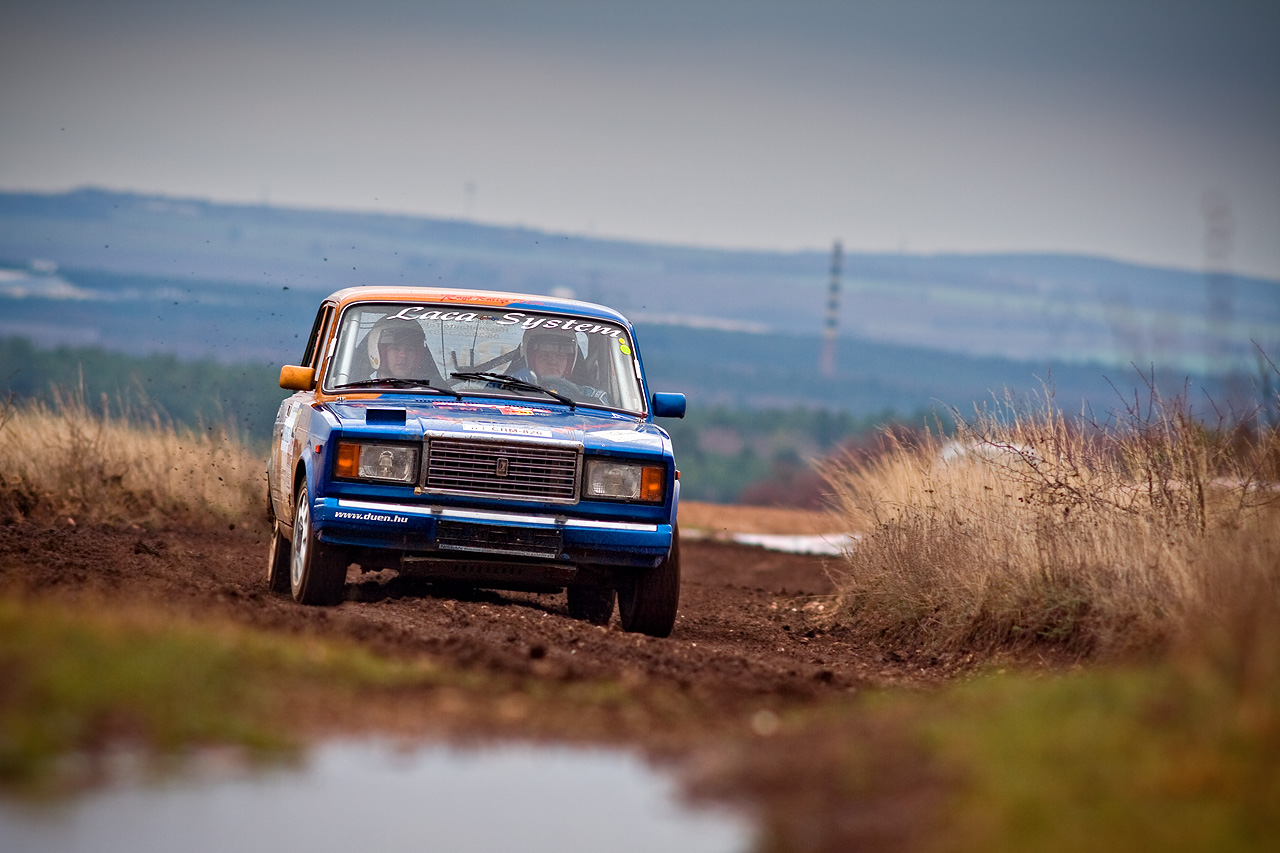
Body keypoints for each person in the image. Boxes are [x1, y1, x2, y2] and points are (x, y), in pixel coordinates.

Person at [517, 328, 607, 404]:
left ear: (570, 362)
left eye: (560, 356)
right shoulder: (509, 389)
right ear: (531, 359)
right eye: (544, 355)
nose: (553, 362)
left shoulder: (593, 396)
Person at [367, 318, 440, 383]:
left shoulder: (434, 392)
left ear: (418, 355)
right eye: (395, 348)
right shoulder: (363, 391)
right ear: (380, 353)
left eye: (409, 349)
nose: (403, 355)